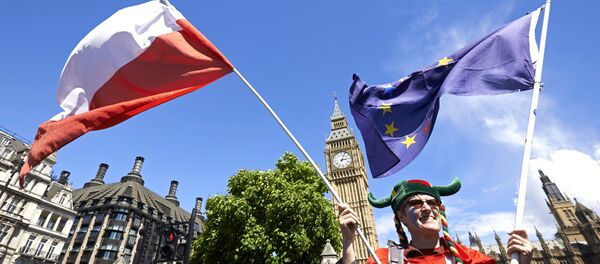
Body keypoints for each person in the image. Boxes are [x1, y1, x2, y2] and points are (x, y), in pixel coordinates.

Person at [337, 178, 533, 264]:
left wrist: (523, 263)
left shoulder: (468, 258)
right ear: (401, 217)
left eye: (432, 202)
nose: (427, 207)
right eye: (415, 203)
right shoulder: (390, 259)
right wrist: (348, 242)